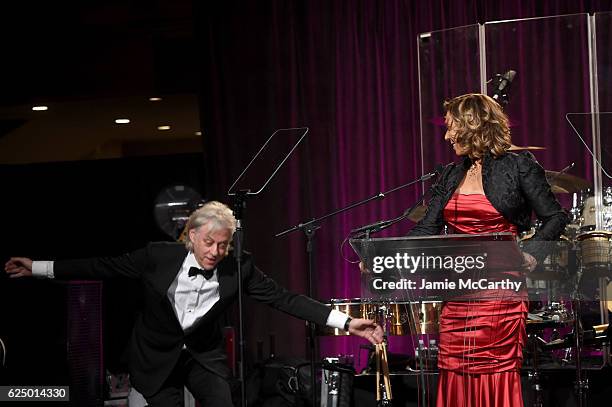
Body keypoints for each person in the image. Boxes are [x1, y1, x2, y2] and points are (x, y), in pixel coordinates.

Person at [5, 201, 384, 407]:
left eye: (224, 244)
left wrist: (347, 322)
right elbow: (102, 266)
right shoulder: (157, 256)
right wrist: (38, 267)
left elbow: (284, 299)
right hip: (155, 358)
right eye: (209, 243)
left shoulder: (239, 266)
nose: (216, 252)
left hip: (203, 357)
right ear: (191, 236)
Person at [409, 93, 567, 406]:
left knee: (493, 369)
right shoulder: (451, 174)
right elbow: (426, 227)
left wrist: (532, 252)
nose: (446, 135)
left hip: (498, 292)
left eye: (451, 127)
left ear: (472, 126)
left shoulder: (518, 166)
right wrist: (382, 259)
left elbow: (555, 217)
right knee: (454, 368)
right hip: (458, 293)